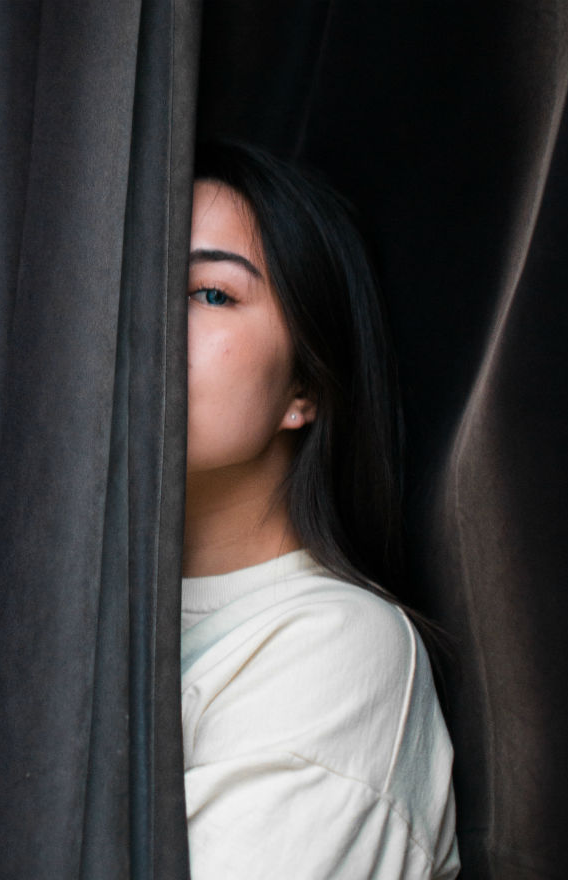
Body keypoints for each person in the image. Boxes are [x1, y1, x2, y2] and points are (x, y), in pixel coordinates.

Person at [180, 141, 459, 879]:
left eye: (210, 294)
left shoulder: (337, 649)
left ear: (305, 387)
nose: (146, 326)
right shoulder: (57, 614)